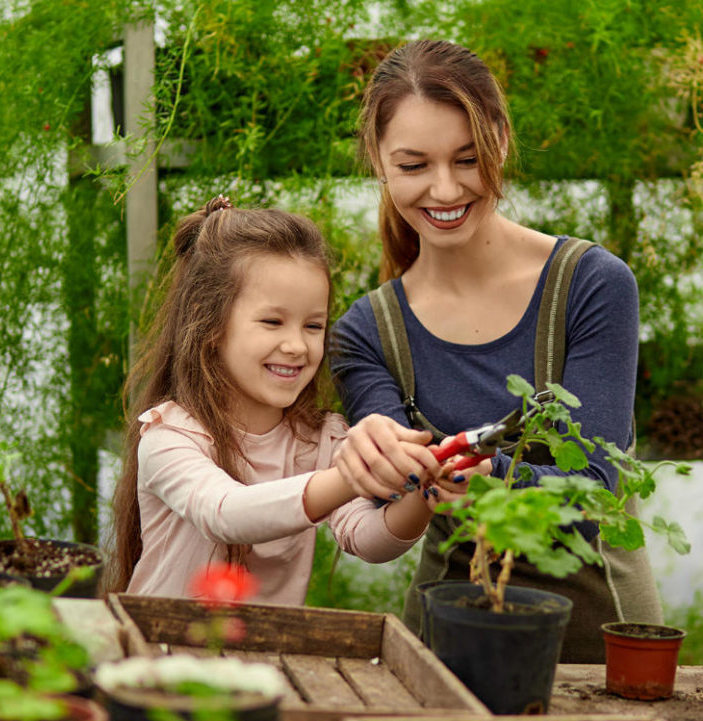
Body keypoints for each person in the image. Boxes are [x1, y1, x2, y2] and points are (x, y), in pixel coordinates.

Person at [329, 40, 662, 662]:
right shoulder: (366, 331)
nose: (445, 189)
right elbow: (386, 505)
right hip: (443, 643)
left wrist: (494, 475)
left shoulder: (590, 284)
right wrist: (377, 459)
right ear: (378, 158)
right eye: (413, 165)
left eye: (468, 158)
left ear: (501, 141)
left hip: (599, 643)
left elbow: (599, 486)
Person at [106, 196, 442, 604]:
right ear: (209, 323)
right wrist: (352, 475)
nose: (297, 346)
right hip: (161, 655)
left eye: (313, 325)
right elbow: (225, 513)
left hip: (264, 662)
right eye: (272, 322)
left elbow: (367, 540)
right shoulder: (170, 436)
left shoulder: (319, 439)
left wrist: (425, 490)